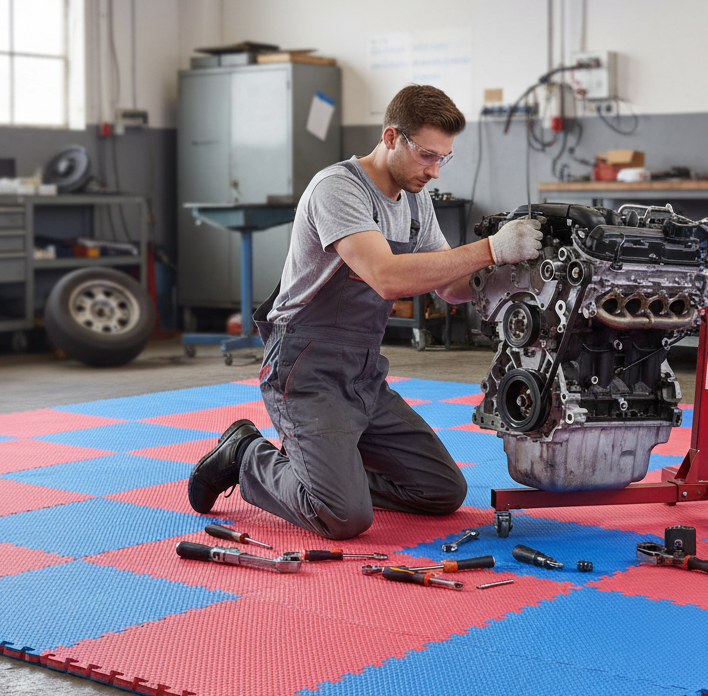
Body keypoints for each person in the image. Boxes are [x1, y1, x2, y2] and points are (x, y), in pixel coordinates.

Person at [187, 84, 543, 540]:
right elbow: (386, 276)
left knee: (441, 491)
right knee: (343, 518)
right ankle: (246, 456)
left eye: (443, 159)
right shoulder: (338, 188)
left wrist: (511, 271)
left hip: (363, 372)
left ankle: (335, 476)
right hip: (305, 370)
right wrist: (490, 246)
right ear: (391, 137)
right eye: (427, 156)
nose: (434, 171)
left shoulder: (416, 202)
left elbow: (450, 289)